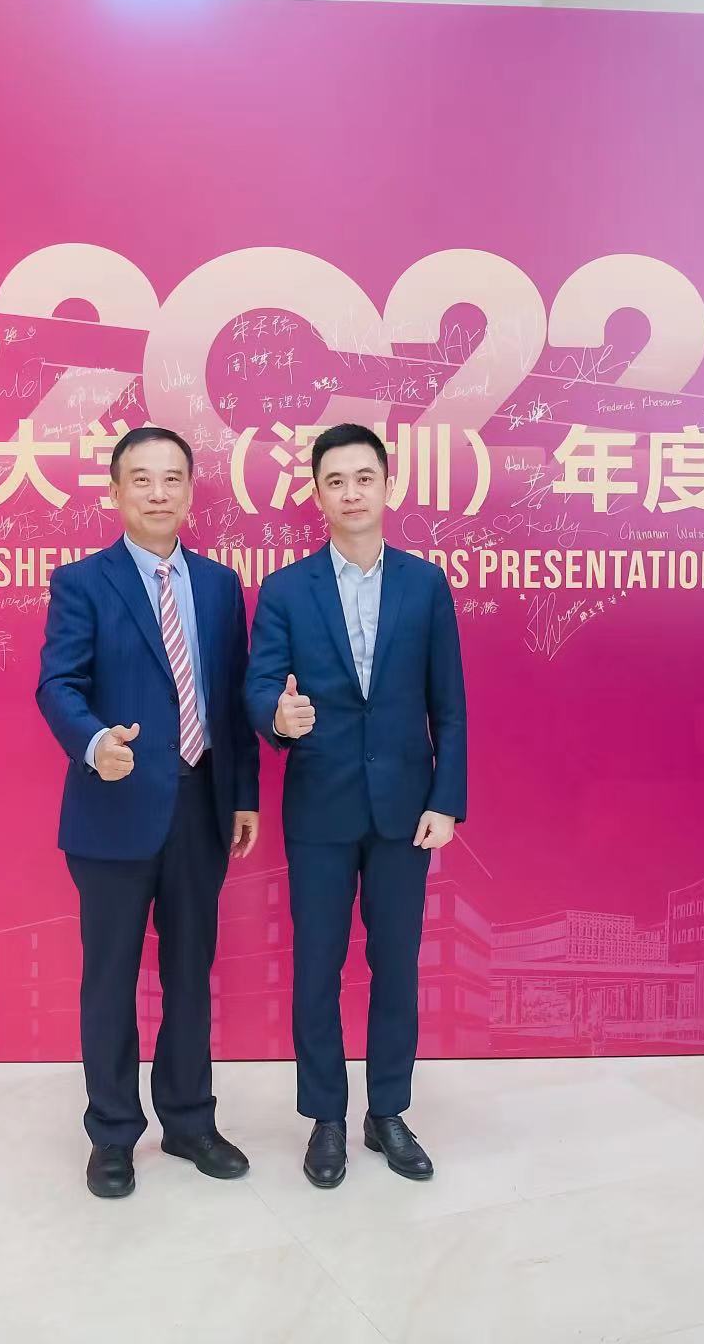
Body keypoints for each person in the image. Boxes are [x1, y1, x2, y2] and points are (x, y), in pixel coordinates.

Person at [35, 426, 260, 1199]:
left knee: (190, 974)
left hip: (201, 806)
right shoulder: (82, 583)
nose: (158, 493)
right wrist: (95, 742)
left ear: (191, 490)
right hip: (113, 808)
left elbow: (231, 697)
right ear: (115, 491)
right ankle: (112, 1134)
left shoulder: (221, 586)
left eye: (172, 479)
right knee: (110, 980)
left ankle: (191, 1121)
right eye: (142, 479)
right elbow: (58, 685)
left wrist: (243, 795)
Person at [246, 423, 468, 1188]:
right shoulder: (286, 590)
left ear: (387, 486)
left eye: (363, 478)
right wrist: (279, 716)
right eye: (335, 481)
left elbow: (450, 705)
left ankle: (388, 1113)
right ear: (317, 494)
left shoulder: (425, 585)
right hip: (321, 806)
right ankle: (326, 1119)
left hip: (406, 810)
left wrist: (447, 800)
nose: (350, 493)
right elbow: (259, 685)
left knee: (396, 965)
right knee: (317, 968)